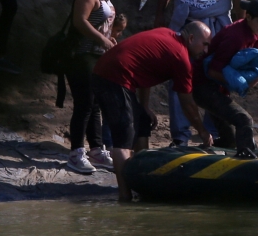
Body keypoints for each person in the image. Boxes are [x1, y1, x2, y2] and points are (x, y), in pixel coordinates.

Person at [91, 22, 215, 201]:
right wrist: (202, 131)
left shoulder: (167, 34)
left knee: (142, 122)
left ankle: (143, 186)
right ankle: (125, 197)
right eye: (205, 44)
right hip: (113, 77)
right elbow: (187, 103)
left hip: (112, 72)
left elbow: (144, 68)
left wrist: (144, 106)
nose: (206, 50)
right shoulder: (181, 57)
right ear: (191, 39)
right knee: (124, 140)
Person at [154, 0, 247, 146]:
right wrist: (160, 13)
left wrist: (241, 26)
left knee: (215, 74)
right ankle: (180, 136)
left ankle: (213, 131)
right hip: (185, 21)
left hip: (216, 22)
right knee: (179, 74)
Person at [192, 0, 258, 159]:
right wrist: (238, 82)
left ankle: (204, 157)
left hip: (218, 89)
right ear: (248, 17)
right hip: (203, 87)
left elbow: (257, 67)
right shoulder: (236, 37)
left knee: (230, 139)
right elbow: (212, 71)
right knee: (243, 119)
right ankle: (247, 161)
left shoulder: (255, 33)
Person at [63, 0, 122, 175]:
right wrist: (102, 39)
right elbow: (80, 21)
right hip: (81, 55)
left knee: (95, 103)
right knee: (84, 104)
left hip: (97, 56)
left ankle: (97, 149)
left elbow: (101, 23)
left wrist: (108, 38)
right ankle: (76, 153)